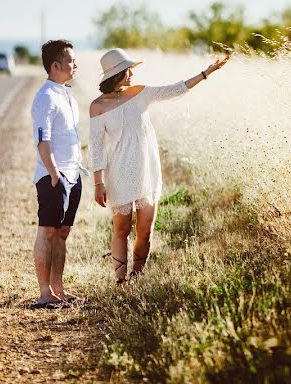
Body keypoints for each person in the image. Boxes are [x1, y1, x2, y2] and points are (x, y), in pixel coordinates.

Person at [89, 48, 230, 284]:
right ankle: (121, 281)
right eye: (128, 70)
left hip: (146, 170)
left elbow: (175, 89)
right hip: (119, 172)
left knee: (145, 229)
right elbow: (96, 146)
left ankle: (137, 277)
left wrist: (206, 73)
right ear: (117, 74)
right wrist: (97, 182)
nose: (132, 73)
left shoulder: (142, 93)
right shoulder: (97, 106)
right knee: (122, 229)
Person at [30, 39, 86, 308]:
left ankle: (58, 290)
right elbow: (43, 141)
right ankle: (44, 294)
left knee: (62, 233)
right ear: (55, 65)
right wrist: (54, 175)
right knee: (47, 233)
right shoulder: (46, 97)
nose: (75, 64)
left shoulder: (66, 94)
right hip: (54, 176)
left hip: (73, 174)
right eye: (71, 60)